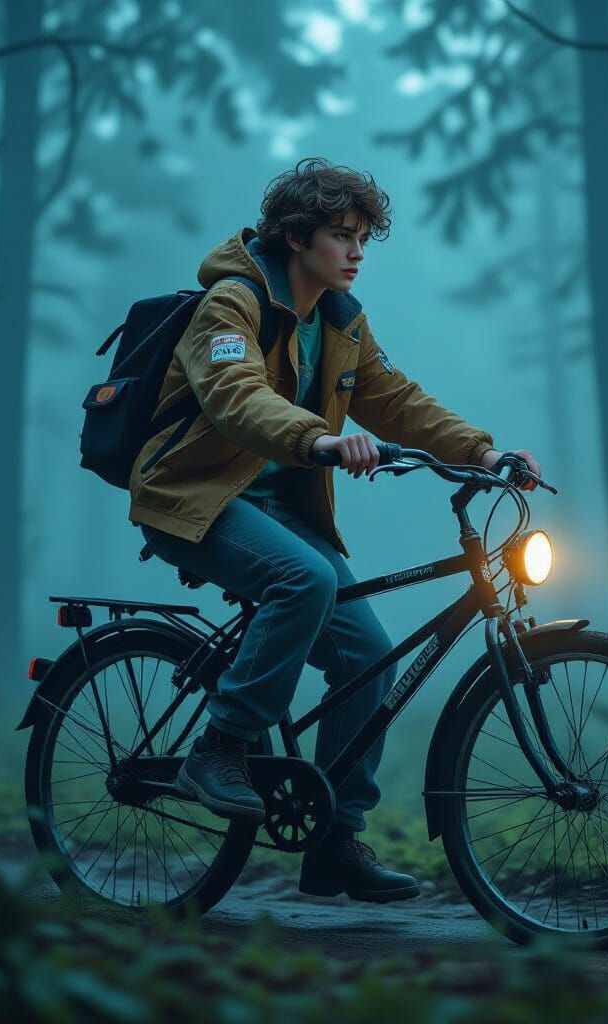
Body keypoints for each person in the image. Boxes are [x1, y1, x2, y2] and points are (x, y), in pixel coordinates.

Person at [128, 157, 541, 903]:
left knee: (370, 659)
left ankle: (334, 841)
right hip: (194, 497)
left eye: (363, 239)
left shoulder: (341, 322)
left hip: (279, 511)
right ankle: (219, 746)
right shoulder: (230, 304)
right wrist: (317, 438)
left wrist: (485, 450)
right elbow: (235, 397)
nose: (355, 252)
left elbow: (396, 401)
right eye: (341, 236)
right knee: (305, 578)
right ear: (296, 236)